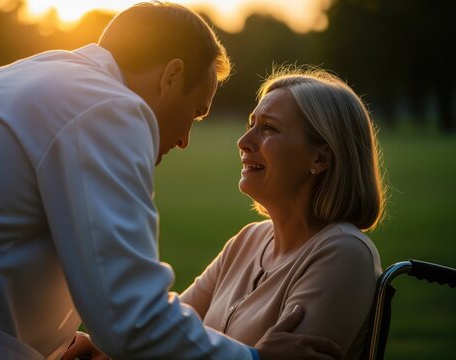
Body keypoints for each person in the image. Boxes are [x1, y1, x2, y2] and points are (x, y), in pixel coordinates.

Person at [0, 2, 343, 360]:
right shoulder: (108, 107)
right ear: (171, 76)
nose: (185, 140)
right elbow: (129, 317)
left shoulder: (27, 77)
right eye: (196, 112)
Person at [66, 66, 387, 359]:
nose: (244, 141)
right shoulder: (248, 240)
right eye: (251, 125)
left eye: (270, 128)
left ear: (321, 159)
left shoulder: (344, 254)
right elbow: (164, 335)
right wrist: (104, 350)